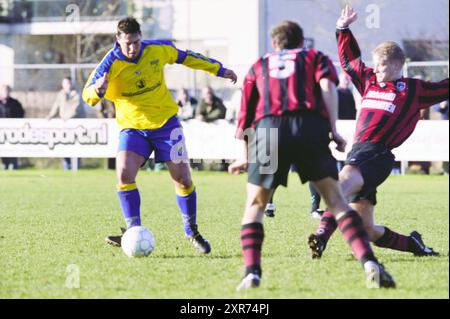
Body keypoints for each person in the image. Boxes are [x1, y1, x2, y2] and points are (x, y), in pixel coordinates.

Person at [228, 20, 395, 290]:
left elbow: (244, 116)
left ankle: (251, 272)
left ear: (274, 44)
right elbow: (328, 89)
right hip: (308, 126)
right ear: (302, 42)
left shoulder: (259, 65)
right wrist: (333, 131)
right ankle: (369, 263)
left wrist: (245, 154)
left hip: (269, 130)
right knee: (336, 201)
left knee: (255, 205)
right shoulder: (315, 57)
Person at [82, 17, 237, 254]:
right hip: (133, 128)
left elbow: (187, 57)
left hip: (166, 124)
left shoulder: (157, 49)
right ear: (118, 40)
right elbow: (87, 93)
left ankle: (191, 231)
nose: (132, 48)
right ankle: (133, 231)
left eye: (135, 42)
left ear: (140, 37)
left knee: (183, 178)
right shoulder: (110, 63)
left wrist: (218, 68)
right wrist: (97, 91)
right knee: (123, 173)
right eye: (127, 44)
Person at [308, 5, 448, 261]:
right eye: (376, 65)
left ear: (397, 65)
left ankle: (321, 235)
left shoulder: (412, 89)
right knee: (366, 229)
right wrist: (342, 29)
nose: (377, 69)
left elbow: (444, 87)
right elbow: (350, 63)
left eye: (382, 65)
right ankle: (414, 244)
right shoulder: (370, 80)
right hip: (360, 151)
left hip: (377, 153)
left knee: (338, 186)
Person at [47, 77, 85, 170]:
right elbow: (56, 106)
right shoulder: (61, 94)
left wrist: (68, 118)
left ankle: (76, 168)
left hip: (76, 124)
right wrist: (50, 116)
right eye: (65, 83)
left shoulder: (77, 93)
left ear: (71, 84)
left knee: (76, 146)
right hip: (65, 125)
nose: (67, 85)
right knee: (65, 146)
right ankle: (66, 168)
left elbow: (76, 108)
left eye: (68, 83)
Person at [0, 84, 25, 169]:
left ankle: (13, 165)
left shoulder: (15, 103)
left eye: (7, 91)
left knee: (13, 148)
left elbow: (21, 114)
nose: (6, 93)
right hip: (1, 131)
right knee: (3, 149)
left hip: (13, 131)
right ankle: (5, 164)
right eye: (4, 91)